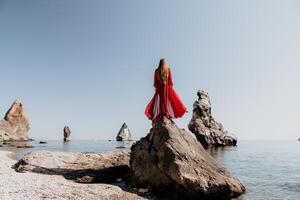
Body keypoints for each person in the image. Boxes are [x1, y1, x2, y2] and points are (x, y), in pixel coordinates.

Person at [145, 58, 187, 123]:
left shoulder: (156, 71)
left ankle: (161, 113)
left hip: (160, 88)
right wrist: (169, 87)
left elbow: (155, 83)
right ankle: (167, 113)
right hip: (167, 88)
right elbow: (170, 82)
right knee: (169, 101)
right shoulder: (168, 70)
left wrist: (157, 88)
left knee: (160, 101)